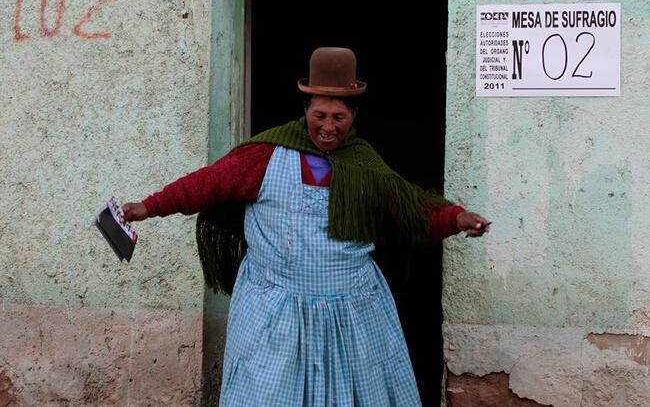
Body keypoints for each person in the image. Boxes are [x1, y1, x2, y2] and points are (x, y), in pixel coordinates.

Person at [121, 47, 489, 406]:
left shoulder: (365, 166)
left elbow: (412, 210)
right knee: (265, 392)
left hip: (352, 312)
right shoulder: (265, 155)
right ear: (305, 110)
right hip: (274, 308)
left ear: (354, 116)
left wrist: (456, 218)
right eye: (320, 115)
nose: (328, 127)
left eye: (339, 118)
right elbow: (206, 184)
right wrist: (148, 207)